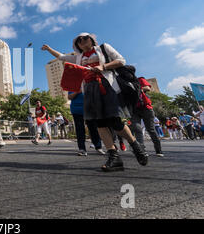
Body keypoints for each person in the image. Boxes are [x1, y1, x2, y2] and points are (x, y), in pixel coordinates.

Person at [42, 33, 148, 172]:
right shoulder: (78, 57)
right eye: (79, 40)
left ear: (91, 40)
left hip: (107, 86)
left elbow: (121, 60)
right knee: (99, 123)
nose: (82, 41)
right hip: (90, 90)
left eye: (85, 38)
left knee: (115, 121)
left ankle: (135, 145)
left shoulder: (103, 48)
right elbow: (61, 57)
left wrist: (103, 67)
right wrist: (49, 49)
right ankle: (113, 157)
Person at [129, 77, 164, 156]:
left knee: (151, 129)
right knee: (137, 129)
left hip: (146, 108)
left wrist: (136, 87)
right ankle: (142, 150)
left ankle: (158, 150)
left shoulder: (139, 79)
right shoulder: (122, 82)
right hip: (134, 110)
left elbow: (148, 88)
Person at [68, 91, 105, 156]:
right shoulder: (73, 84)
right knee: (80, 130)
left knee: (93, 128)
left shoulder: (87, 82)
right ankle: (82, 149)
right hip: (77, 110)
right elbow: (69, 97)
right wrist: (78, 91)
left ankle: (98, 147)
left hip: (89, 108)